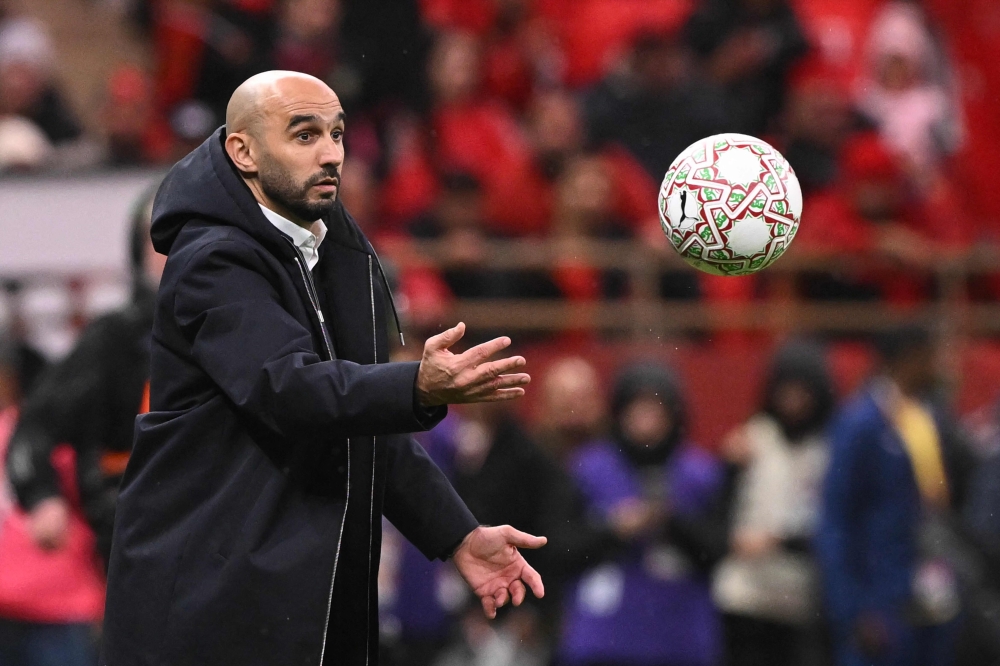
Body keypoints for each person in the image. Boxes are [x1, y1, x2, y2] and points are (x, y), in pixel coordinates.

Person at [100, 70, 545, 666]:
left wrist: (459, 534)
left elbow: (357, 431)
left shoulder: (330, 254)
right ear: (244, 152)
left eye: (337, 135)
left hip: (289, 598)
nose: (332, 154)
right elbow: (288, 390)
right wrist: (416, 384)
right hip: (212, 603)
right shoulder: (214, 259)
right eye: (304, 135)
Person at [7, 187, 162, 568]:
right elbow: (33, 431)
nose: (176, 250)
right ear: (138, 252)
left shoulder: (249, 329)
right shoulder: (115, 339)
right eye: (160, 238)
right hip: (139, 544)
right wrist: (43, 497)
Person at [816, 326, 971, 666]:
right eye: (931, 357)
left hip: (930, 588)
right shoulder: (860, 423)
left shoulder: (929, 418)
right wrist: (852, 608)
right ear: (908, 359)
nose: (939, 366)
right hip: (879, 598)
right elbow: (837, 519)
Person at [557, 362, 729, 666]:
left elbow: (717, 550)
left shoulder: (700, 473)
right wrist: (614, 529)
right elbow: (561, 547)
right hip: (604, 636)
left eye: (655, 410)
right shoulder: (588, 468)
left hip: (680, 635)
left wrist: (671, 522)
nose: (646, 422)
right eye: (637, 409)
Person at [713, 341, 835, 666]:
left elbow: (830, 526)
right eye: (786, 390)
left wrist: (777, 542)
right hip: (744, 593)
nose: (793, 401)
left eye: (802, 392)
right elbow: (719, 510)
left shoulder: (829, 449)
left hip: (800, 596)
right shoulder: (751, 439)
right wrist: (728, 467)